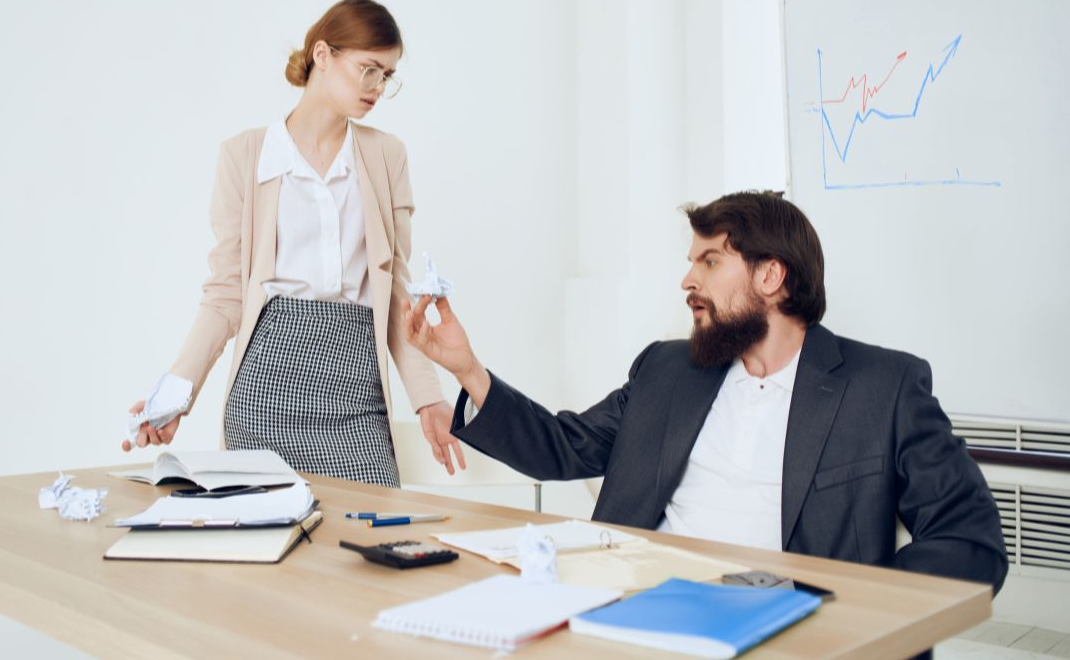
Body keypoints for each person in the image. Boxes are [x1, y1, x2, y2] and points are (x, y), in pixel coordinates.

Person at [401, 191, 1007, 591]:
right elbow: (562, 448)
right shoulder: (669, 370)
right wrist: (468, 370)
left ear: (771, 276)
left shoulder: (884, 387)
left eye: (711, 262)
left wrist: (855, 611)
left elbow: (969, 540)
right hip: (630, 605)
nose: (687, 280)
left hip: (780, 627)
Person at [123, 0, 465, 487]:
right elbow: (225, 295)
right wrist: (177, 396)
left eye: (387, 76)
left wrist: (428, 397)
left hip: (358, 395)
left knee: (370, 538)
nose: (377, 88)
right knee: (272, 548)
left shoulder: (387, 157)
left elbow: (395, 296)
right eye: (368, 69)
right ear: (322, 55)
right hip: (266, 391)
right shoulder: (244, 156)